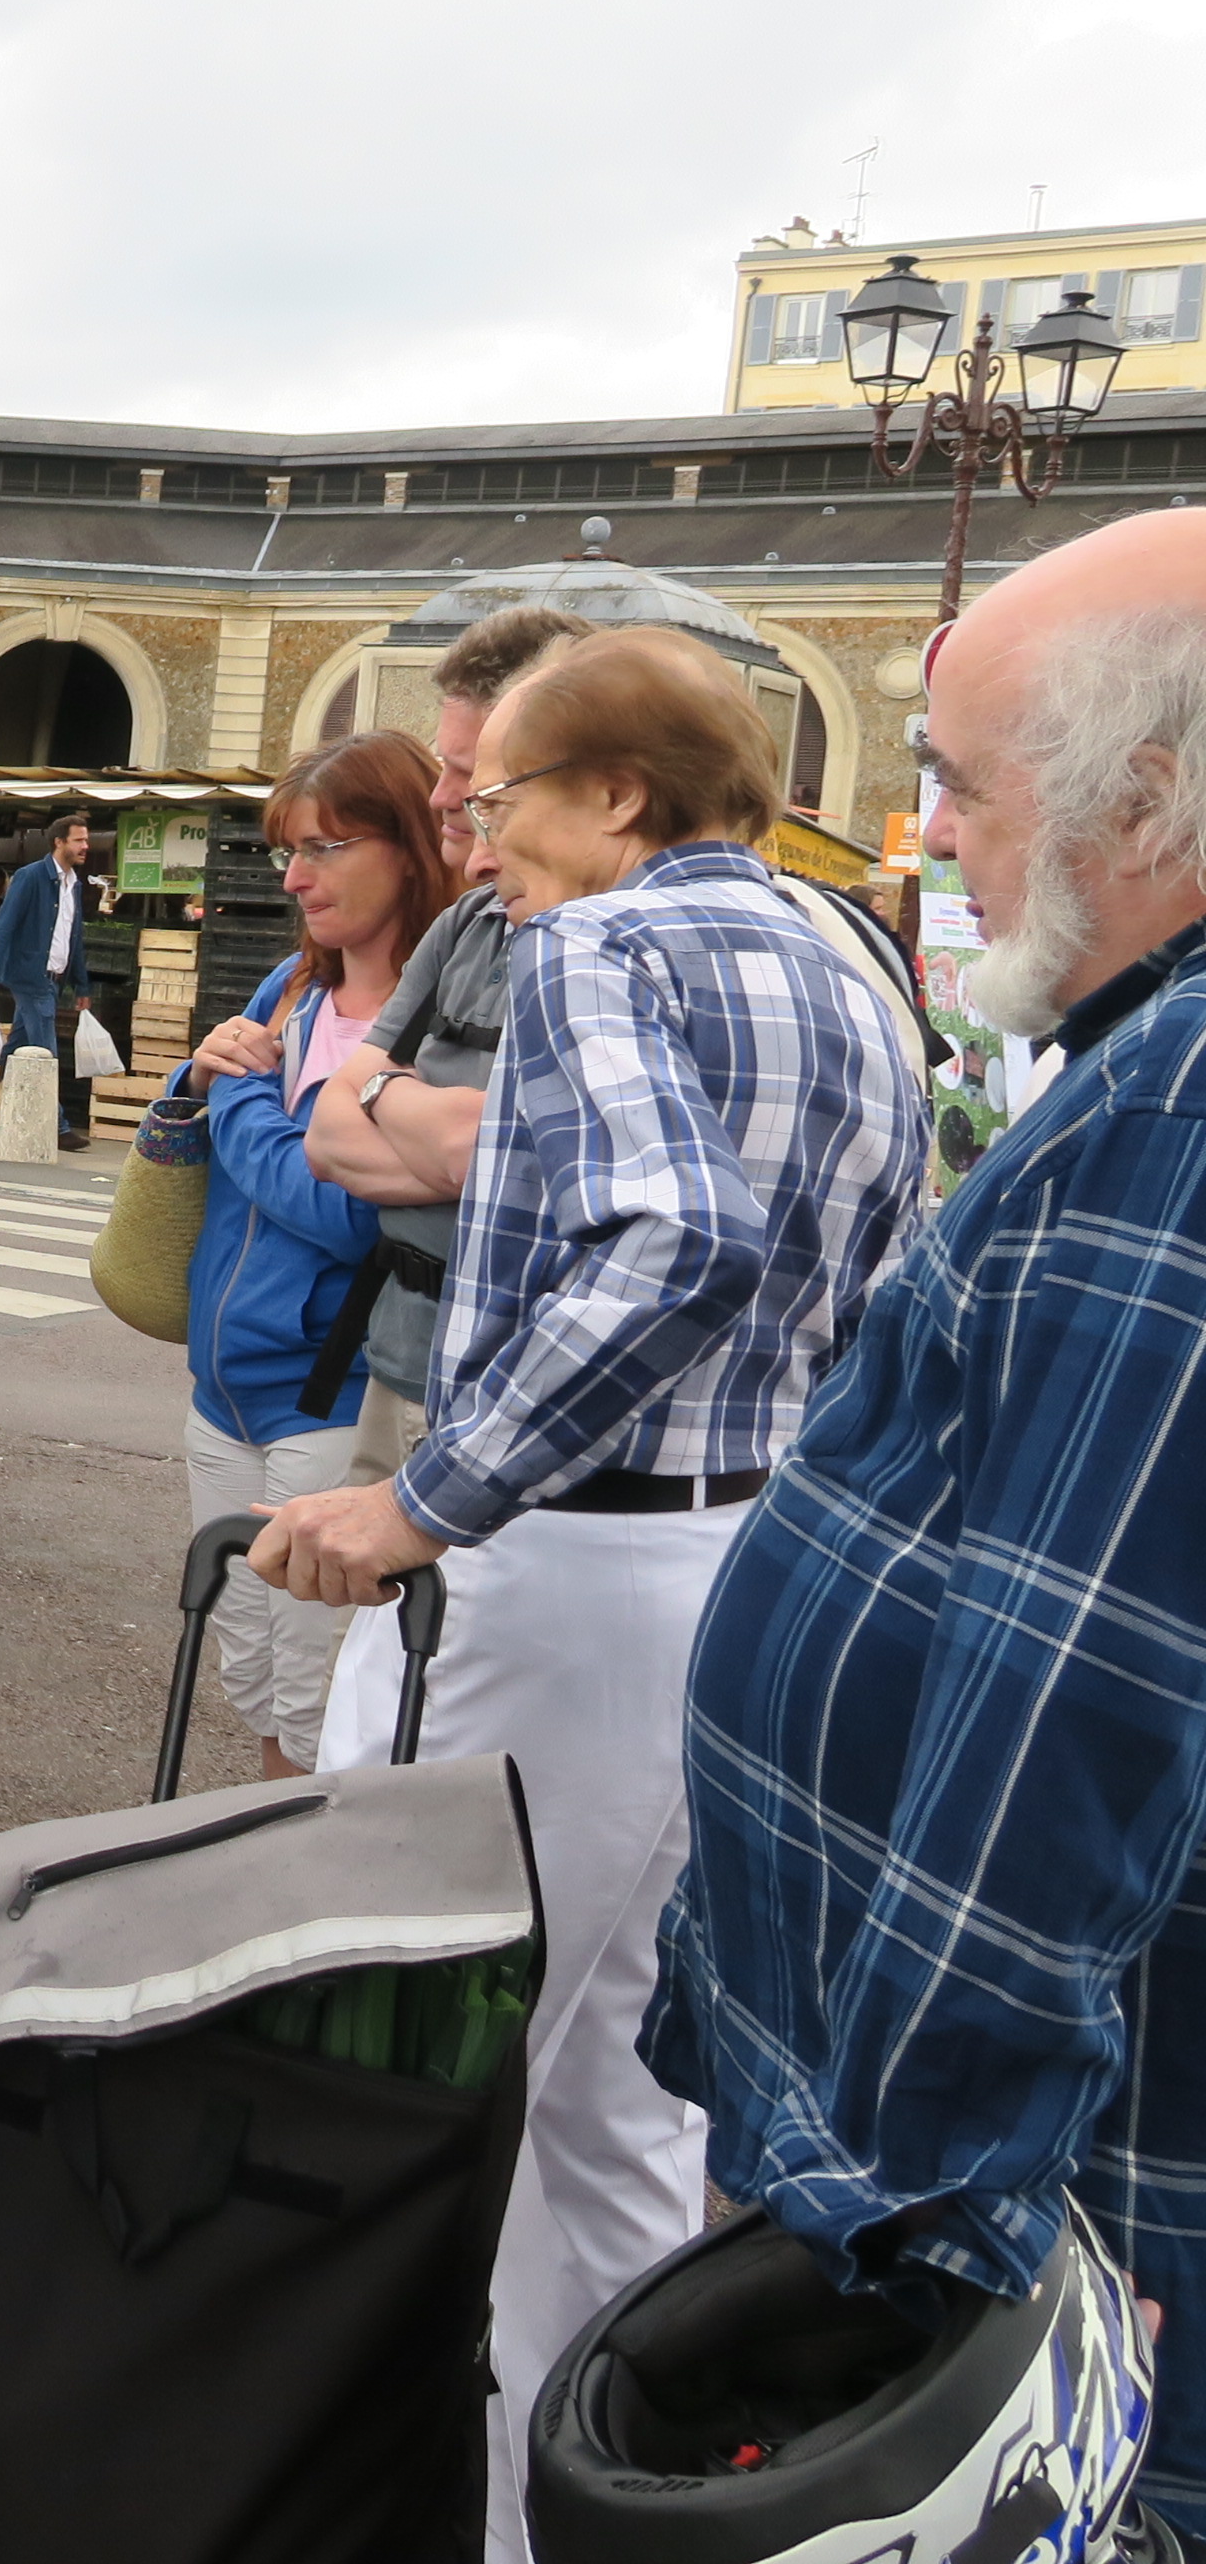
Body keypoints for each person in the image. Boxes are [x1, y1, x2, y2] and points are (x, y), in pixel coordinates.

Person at [253, 631, 927, 2563]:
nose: (475, 846)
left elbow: (678, 1237)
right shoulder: (849, 953)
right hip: (735, 1555)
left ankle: (413, 2508)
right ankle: (586, 2516)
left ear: (619, 792)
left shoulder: (598, 946)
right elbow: (879, 1286)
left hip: (563, 1566)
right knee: (619, 2104)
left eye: (498, 801)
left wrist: (431, 1497)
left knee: (421, 2073)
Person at [644, 513, 1206, 2539]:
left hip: (1040, 2181)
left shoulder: (1187, 1104)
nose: (934, 831)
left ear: (1146, 796)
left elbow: (1080, 1690)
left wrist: (917, 2229)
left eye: (964, 781)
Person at [173, 731, 454, 1778]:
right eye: (289, 850)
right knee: (249, 1673)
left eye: (327, 847)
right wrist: (191, 1082)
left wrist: (239, 1095)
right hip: (221, 1391)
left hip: (334, 1401)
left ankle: (302, 1866)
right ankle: (274, 1847)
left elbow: (346, 1214)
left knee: (318, 1697)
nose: (295, 877)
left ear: (411, 849)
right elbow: (201, 1148)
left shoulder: (438, 1031)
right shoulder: (291, 989)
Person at [303, 608, 594, 1487]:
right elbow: (328, 1136)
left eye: (469, 777)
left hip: (522, 1398)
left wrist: (387, 1096)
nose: (442, 798)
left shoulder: (608, 950)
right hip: (400, 1365)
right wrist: (446, 1129)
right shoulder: (470, 924)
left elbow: (487, 1147)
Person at [0, 810, 101, 1148]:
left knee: (15, 1048)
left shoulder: (73, 884)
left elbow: (73, 937)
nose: (85, 846)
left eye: (86, 840)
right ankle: (58, 1127)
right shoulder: (30, 877)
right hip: (30, 977)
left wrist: (81, 984)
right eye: (79, 840)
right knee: (46, 1052)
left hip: (54, 979)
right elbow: (4, 926)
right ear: (59, 842)